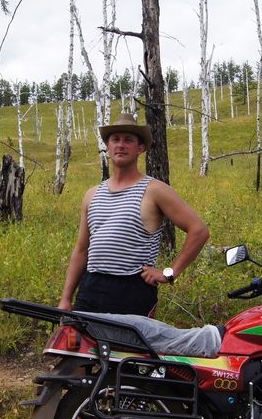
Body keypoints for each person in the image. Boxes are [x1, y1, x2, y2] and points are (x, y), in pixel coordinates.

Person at [59, 113, 210, 316]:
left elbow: (199, 231)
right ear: (107, 146)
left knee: (130, 349)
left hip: (132, 290)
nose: (121, 145)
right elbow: (81, 250)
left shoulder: (154, 190)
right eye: (115, 139)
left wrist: (170, 273)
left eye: (128, 140)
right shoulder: (92, 194)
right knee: (80, 347)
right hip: (91, 287)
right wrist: (66, 298)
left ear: (140, 148)